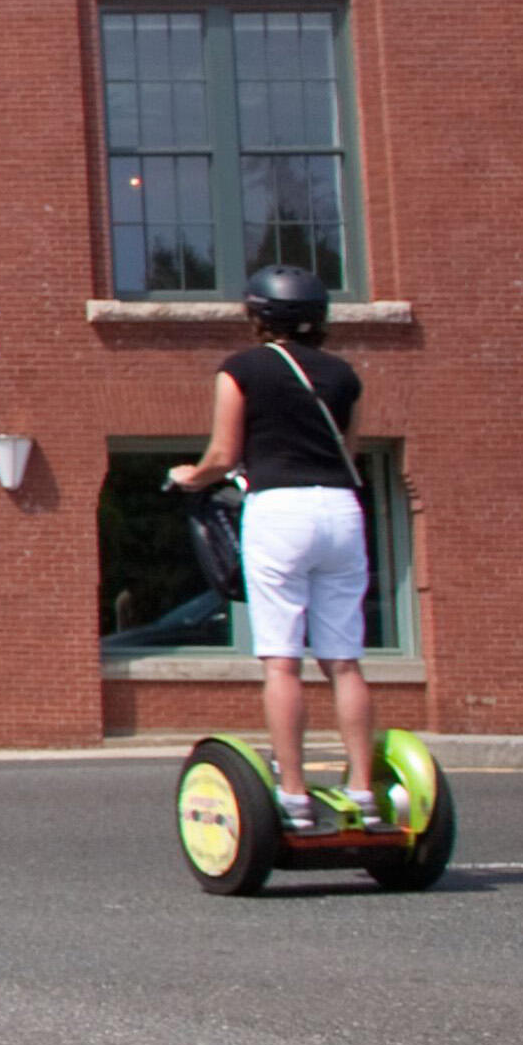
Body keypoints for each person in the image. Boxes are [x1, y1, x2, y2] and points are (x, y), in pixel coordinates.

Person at [168, 262, 381, 819]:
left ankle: (294, 793)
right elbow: (348, 454)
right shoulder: (344, 375)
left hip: (280, 510)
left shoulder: (242, 369)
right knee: (344, 661)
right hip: (340, 509)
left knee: (283, 663)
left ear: (257, 316)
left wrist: (189, 476)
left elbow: (223, 456)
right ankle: (363, 789)